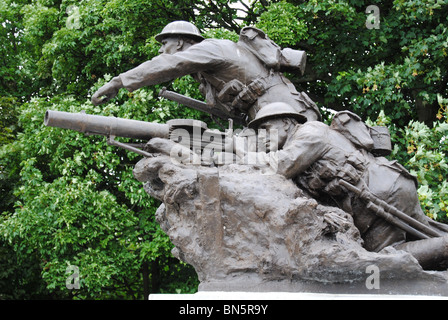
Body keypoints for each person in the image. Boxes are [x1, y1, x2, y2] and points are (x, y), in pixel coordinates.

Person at [246, 101, 448, 270]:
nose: (263, 137)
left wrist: (240, 156)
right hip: (385, 187)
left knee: (382, 258)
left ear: (286, 122)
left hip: (381, 192)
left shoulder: (310, 132)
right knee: (428, 232)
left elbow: (281, 165)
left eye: (266, 129)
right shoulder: (299, 140)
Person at [91, 20, 321, 124]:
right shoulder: (207, 76)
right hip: (269, 115)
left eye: (165, 44)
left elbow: (165, 66)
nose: (162, 51)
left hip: (285, 112)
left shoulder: (209, 48)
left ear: (180, 43)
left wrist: (118, 82)